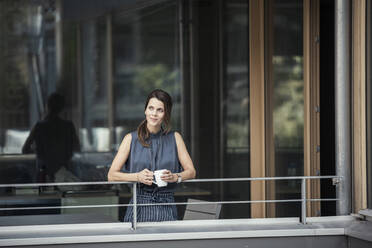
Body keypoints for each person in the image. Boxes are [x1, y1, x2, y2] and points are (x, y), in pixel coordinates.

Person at [108, 89, 196, 222]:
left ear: (166, 113)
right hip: (139, 207)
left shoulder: (175, 138)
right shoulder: (130, 139)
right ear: (145, 110)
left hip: (167, 206)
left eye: (160, 110)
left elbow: (191, 172)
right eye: (151, 108)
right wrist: (137, 176)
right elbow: (111, 175)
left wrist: (175, 177)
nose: (154, 113)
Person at [22, 92, 80, 183]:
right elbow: (77, 148)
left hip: (44, 173)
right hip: (64, 172)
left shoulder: (39, 126)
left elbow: (25, 149)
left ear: (47, 106)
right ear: (62, 108)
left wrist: (39, 151)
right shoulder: (68, 126)